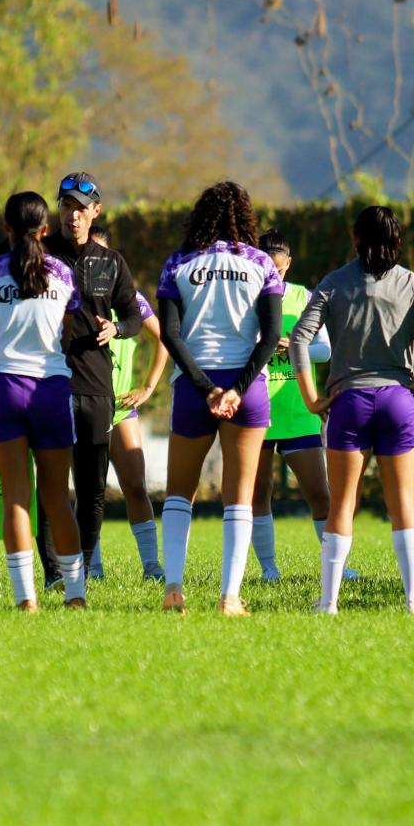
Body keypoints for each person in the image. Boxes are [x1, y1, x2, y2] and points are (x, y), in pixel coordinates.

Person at [290, 205, 414, 615]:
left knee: (342, 505)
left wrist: (312, 399)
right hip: (397, 402)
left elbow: (300, 339)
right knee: (403, 502)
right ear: (397, 242)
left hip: (348, 403)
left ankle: (329, 602)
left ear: (356, 240)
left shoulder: (334, 283)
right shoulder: (410, 283)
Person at [155, 180, 283, 617]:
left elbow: (170, 334)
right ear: (245, 217)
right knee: (239, 497)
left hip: (194, 389)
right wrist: (237, 388)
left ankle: (173, 587)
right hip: (247, 392)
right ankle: (230, 597)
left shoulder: (177, 263)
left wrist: (205, 387)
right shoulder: (262, 264)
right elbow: (271, 339)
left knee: (179, 494)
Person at [0, 191, 87, 611]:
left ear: (6, 228)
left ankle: (26, 601)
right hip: (50, 389)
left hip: (1, 388)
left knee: (18, 496)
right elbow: (66, 333)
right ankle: (75, 596)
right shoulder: (62, 272)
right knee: (58, 498)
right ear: (45, 229)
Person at [34, 172, 143, 585]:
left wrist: (116, 329)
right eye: (66, 206)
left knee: (93, 487)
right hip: (50, 382)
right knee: (52, 484)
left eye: (81, 208)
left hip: (98, 386)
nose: (73, 215)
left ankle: (78, 566)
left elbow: (134, 316)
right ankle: (53, 574)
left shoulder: (112, 262)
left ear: (95, 211)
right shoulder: (40, 255)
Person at [251, 228, 344, 583]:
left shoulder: (303, 297)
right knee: (259, 493)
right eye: (267, 269)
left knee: (319, 492)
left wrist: (293, 347)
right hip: (256, 411)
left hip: (298, 413)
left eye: (279, 268)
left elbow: (325, 349)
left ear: (289, 264)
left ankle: (335, 567)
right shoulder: (247, 297)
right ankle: (268, 569)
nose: (273, 276)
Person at [93, 224, 167, 579]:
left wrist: (148, 386)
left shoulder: (130, 300)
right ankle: (92, 567)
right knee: (89, 491)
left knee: (135, 486)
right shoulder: (69, 295)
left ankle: (151, 565)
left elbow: (163, 339)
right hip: (84, 405)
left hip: (122, 409)